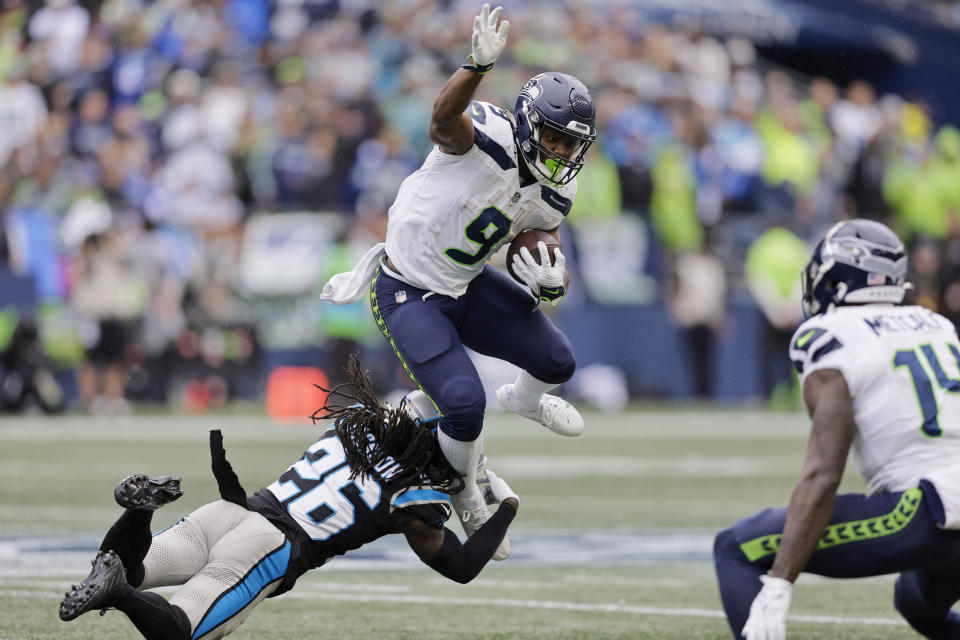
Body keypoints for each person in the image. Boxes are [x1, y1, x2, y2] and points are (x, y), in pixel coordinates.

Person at [321, 3, 596, 560]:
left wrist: (548, 275)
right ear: (528, 123)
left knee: (558, 361)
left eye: (572, 145)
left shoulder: (554, 189)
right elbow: (442, 122)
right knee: (465, 408)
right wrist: (474, 66)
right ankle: (467, 489)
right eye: (555, 139)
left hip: (465, 282)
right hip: (407, 288)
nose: (562, 153)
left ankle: (522, 399)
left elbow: (539, 237)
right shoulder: (488, 134)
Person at [58, 355, 519, 640]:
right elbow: (460, 567)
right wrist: (506, 511)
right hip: (268, 548)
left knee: (131, 564)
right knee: (180, 628)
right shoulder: (414, 500)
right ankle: (117, 593)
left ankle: (139, 515)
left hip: (231, 512)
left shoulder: (353, 426)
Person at [713, 219, 960, 640]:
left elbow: (824, 473)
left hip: (927, 510)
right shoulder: (937, 325)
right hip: (947, 509)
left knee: (736, 547)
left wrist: (779, 583)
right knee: (916, 601)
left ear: (841, 276)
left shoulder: (830, 334)